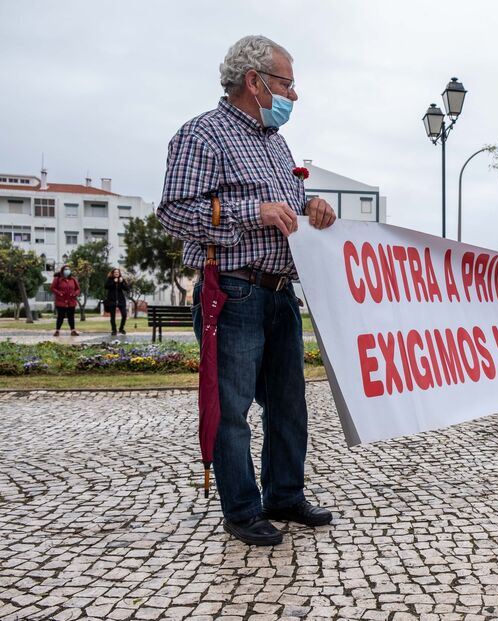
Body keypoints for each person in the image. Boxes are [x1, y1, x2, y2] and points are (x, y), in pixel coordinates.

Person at [157, 35, 337, 546]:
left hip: (280, 292)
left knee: (288, 403)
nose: (294, 96)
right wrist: (251, 212)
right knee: (231, 408)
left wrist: (313, 206)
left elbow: (291, 207)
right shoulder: (202, 135)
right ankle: (241, 509)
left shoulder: (275, 142)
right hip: (233, 291)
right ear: (255, 82)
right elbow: (173, 211)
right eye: (287, 84)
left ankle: (285, 494)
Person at [50, 264, 80, 337]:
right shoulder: (57, 279)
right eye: (65, 269)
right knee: (60, 316)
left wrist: (75, 294)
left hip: (71, 301)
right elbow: (52, 288)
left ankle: (73, 331)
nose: (67, 270)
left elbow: (78, 289)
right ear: (62, 271)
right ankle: (57, 331)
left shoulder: (73, 279)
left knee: (71, 317)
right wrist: (59, 293)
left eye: (68, 269)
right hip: (61, 301)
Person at [104, 268, 130, 336]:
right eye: (115, 272)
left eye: (117, 272)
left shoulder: (121, 279)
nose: (116, 273)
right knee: (112, 316)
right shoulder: (110, 279)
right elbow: (106, 287)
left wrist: (122, 283)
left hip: (121, 300)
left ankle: (121, 328)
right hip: (112, 300)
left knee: (124, 315)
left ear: (119, 273)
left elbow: (127, 288)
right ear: (113, 273)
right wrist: (113, 282)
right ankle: (114, 330)